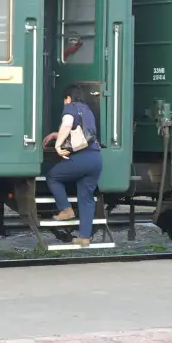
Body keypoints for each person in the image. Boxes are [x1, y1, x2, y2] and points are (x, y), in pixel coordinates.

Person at [41, 85, 104, 248]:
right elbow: (81, 132)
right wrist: (56, 134)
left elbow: (67, 125)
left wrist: (58, 145)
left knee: (53, 177)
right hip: (95, 159)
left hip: (82, 158)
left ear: (68, 97)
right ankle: (84, 237)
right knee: (86, 198)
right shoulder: (87, 110)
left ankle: (66, 209)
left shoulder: (70, 107)